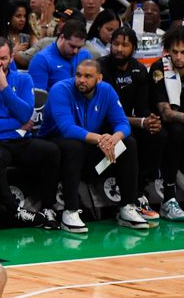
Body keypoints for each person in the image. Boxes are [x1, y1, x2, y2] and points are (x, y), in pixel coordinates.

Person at [40, 59, 148, 232]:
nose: (81, 80)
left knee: (127, 143)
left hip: (87, 149)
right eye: (78, 75)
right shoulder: (60, 89)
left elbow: (122, 123)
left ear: (99, 78)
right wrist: (100, 139)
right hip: (54, 145)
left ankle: (128, 206)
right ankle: (70, 211)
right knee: (73, 146)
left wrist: (114, 138)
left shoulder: (106, 91)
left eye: (87, 76)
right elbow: (67, 128)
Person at [0, 37, 60, 228]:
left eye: (3, 58)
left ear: (11, 58)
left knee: (51, 151)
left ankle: (48, 207)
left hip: (20, 140)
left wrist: (4, 88)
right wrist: (15, 125)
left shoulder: (24, 79)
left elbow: (26, 113)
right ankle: (13, 211)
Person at [100, 26, 164, 222]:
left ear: (134, 48)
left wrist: (150, 122)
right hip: (104, 126)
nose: (119, 49)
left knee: (159, 134)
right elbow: (108, 114)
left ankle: (142, 188)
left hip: (128, 124)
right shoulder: (100, 68)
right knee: (131, 140)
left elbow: (143, 108)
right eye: (116, 44)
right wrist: (141, 122)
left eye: (125, 45)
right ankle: (131, 197)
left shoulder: (139, 70)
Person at [148, 26, 184, 221]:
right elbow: (167, 113)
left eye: (183, 53)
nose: (178, 57)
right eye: (175, 52)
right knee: (176, 132)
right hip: (161, 124)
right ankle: (169, 199)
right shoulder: (160, 68)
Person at [28, 20, 90, 93]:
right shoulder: (41, 60)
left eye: (79, 47)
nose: (75, 51)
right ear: (62, 37)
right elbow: (38, 99)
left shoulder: (85, 56)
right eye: (72, 46)